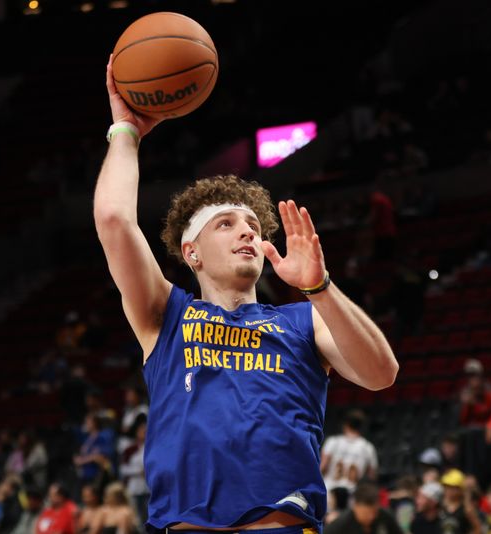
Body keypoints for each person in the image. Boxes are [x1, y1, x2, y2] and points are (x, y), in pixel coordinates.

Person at [95, 56, 399, 533]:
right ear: (191, 251)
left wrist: (319, 288)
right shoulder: (166, 314)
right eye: (226, 224)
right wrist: (126, 132)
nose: (247, 233)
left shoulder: (302, 320)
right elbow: (114, 220)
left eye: (254, 226)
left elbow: (381, 373)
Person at [321, 409, 379, 492]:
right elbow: (372, 477)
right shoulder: (368, 447)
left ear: (345, 424)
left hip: (329, 490)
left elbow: (323, 467)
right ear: (361, 426)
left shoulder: (333, 442)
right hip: (352, 493)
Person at [324, 481, 402, 534]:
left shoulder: (385, 516)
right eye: (366, 513)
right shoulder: (341, 524)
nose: (372, 517)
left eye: (375, 512)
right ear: (355, 507)